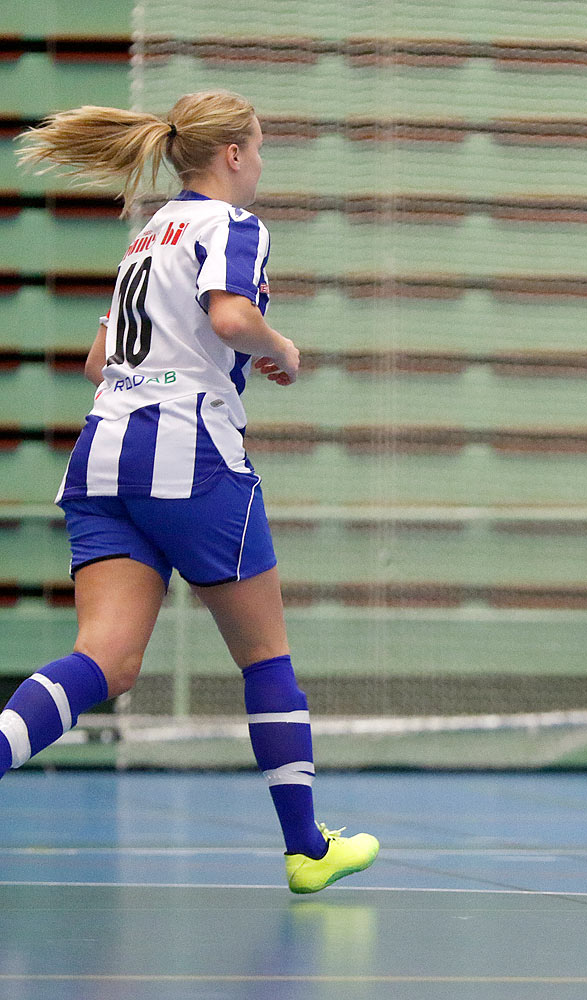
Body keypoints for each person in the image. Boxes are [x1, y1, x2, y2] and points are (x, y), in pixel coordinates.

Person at [12, 91, 378, 893]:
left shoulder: (146, 238)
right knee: (265, 655)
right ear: (235, 156)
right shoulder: (231, 227)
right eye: (261, 145)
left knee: (103, 659)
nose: (262, 161)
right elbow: (230, 316)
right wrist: (282, 347)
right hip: (188, 451)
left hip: (103, 450)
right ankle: (307, 850)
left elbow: (96, 362)